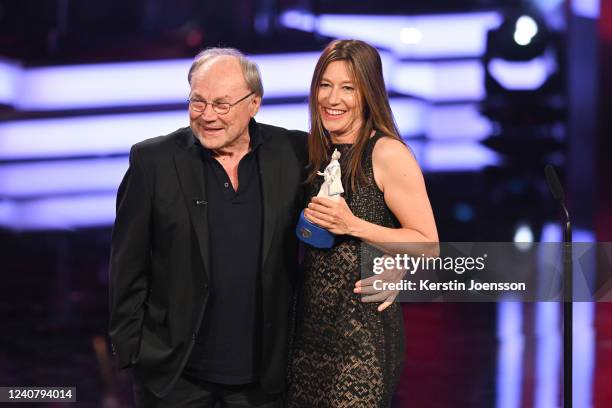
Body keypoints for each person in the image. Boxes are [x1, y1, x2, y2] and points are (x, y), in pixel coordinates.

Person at [108, 48, 308, 407]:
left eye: (222, 104)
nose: (208, 116)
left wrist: (395, 263)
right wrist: (133, 352)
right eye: (197, 102)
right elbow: (127, 265)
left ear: (254, 104)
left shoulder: (293, 152)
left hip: (262, 383)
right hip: (175, 379)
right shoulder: (153, 161)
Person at [286, 39, 439, 407]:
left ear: (368, 93)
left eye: (348, 88)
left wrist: (353, 225)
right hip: (307, 336)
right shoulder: (316, 151)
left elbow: (428, 244)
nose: (332, 98)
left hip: (361, 339)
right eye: (325, 85)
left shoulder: (386, 153)